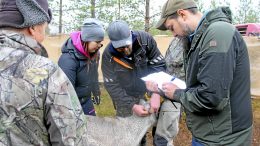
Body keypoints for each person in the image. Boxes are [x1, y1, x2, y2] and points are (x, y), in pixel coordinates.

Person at [150, 0, 253, 145]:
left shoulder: (217, 33)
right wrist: (162, 90)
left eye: (171, 27)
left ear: (182, 14)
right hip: (209, 132)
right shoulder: (196, 38)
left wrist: (176, 93)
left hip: (224, 139)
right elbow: (198, 85)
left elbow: (211, 97)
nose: (173, 34)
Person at [0, 0, 89, 145]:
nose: (45, 36)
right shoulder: (45, 72)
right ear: (33, 27)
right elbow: (71, 140)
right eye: (44, 28)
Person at [101, 20, 171, 145]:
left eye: (127, 44)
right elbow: (112, 86)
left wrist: (156, 93)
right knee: (126, 134)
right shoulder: (108, 56)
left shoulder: (146, 41)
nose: (125, 49)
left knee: (147, 131)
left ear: (130, 35)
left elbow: (159, 66)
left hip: (146, 91)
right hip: (124, 96)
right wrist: (132, 105)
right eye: (120, 47)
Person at [58, 18, 104, 116]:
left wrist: (96, 91)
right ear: (86, 39)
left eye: (101, 42)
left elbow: (94, 75)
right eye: (97, 41)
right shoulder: (68, 60)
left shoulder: (95, 54)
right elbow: (66, 94)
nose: (100, 45)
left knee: (92, 128)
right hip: (72, 105)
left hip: (86, 101)